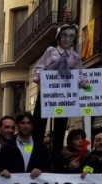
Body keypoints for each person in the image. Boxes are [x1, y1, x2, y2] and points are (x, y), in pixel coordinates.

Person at [32, 23, 88, 158]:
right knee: (39, 123)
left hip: (64, 95)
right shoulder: (51, 51)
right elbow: (39, 68)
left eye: (71, 36)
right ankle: (36, 154)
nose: (67, 39)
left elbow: (80, 73)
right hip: (49, 92)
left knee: (61, 126)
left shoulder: (74, 56)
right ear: (58, 37)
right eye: (64, 35)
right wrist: (40, 76)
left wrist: (83, 82)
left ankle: (56, 155)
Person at [0, 112, 50, 179]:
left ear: (32, 126)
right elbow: (0, 167)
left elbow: (48, 168)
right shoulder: (7, 146)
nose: (26, 126)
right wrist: (2, 171)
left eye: (28, 123)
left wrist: (41, 171)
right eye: (23, 123)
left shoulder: (41, 147)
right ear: (17, 125)